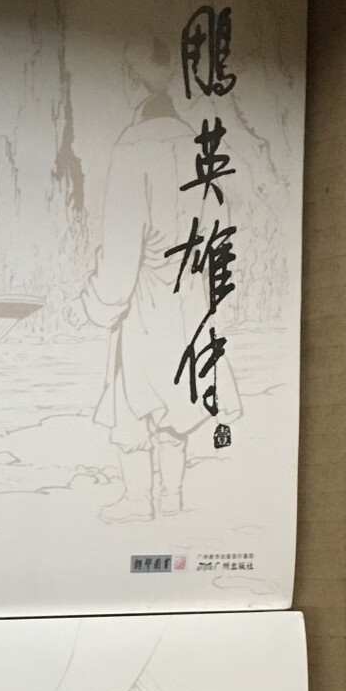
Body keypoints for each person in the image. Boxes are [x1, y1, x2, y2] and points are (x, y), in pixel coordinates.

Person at [68, 33, 240, 521]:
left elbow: (121, 252)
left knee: (134, 404)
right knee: (176, 401)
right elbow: (219, 235)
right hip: (189, 301)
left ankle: (137, 500)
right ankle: (172, 497)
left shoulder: (131, 149)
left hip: (145, 302)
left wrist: (97, 304)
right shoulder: (201, 146)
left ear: (130, 82)